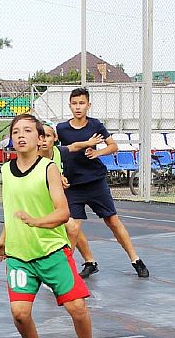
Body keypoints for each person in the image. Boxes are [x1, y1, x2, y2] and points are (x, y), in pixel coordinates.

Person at [0, 114, 104, 338]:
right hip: (19, 255)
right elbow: (12, 210)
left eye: (28, 130)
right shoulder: (6, 171)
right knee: (19, 313)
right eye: (16, 131)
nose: (20, 135)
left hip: (52, 252)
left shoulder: (48, 168)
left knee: (77, 308)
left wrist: (36, 221)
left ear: (40, 139)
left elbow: (63, 213)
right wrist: (3, 238)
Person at [56, 87, 149, 277]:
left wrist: (97, 152)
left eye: (82, 103)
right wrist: (59, 174)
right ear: (69, 105)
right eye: (74, 104)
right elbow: (57, 152)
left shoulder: (95, 125)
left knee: (112, 221)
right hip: (73, 185)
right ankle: (79, 265)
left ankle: (135, 259)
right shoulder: (61, 129)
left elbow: (113, 146)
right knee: (73, 225)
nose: (78, 107)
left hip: (95, 182)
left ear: (88, 105)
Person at [39, 121, 102, 278]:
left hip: (55, 205)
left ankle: (65, 265)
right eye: (41, 136)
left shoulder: (58, 152)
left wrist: (89, 143)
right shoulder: (34, 158)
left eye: (48, 136)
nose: (44, 140)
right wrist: (56, 178)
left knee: (73, 228)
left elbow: (74, 146)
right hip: (38, 205)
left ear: (55, 138)